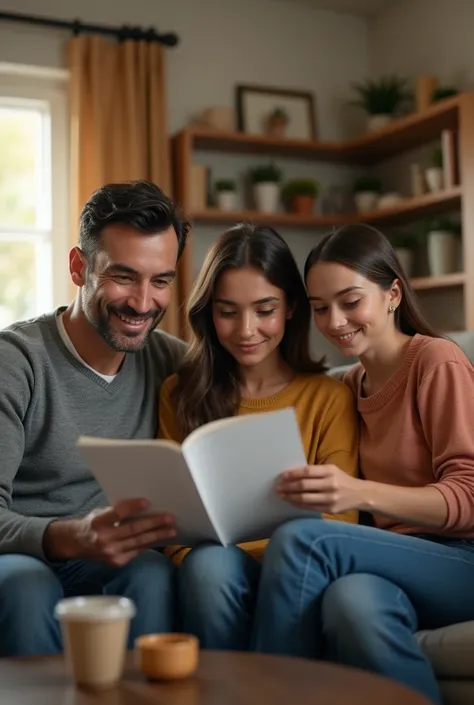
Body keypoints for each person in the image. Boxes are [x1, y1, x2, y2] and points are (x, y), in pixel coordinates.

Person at [251, 223, 474, 705]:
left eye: (351, 302)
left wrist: (357, 491)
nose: (334, 321)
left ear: (393, 294)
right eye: (319, 308)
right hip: (391, 561)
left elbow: (469, 498)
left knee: (301, 541)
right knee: (351, 604)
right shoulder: (348, 386)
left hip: (462, 559)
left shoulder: (438, 361)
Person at [0, 179, 190, 656]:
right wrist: (72, 537)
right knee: (28, 589)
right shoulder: (16, 362)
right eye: (124, 277)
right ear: (78, 267)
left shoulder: (168, 360)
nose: (143, 303)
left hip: (111, 557)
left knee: (151, 571)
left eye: (161, 281)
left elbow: (259, 378)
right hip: (20, 556)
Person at [158, 223, 359, 650]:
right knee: (210, 566)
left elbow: (341, 523)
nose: (246, 330)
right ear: (208, 312)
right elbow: (174, 527)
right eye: (227, 311)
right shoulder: (180, 393)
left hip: (297, 569)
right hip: (210, 568)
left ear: (290, 307)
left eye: (264, 310)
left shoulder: (328, 398)